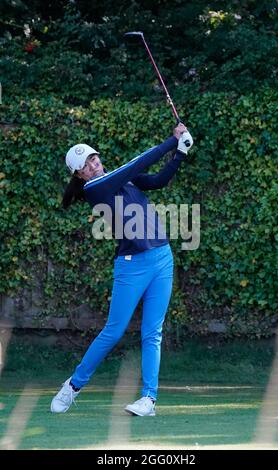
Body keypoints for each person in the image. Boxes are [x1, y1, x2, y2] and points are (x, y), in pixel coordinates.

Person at [51, 123, 193, 416]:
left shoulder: (119, 180)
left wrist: (179, 154)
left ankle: (149, 400)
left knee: (153, 333)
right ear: (79, 174)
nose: (93, 163)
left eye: (93, 158)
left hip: (162, 258)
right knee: (113, 331)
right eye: (86, 164)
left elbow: (157, 181)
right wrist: (171, 140)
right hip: (132, 266)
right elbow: (137, 163)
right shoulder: (96, 188)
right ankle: (73, 386)